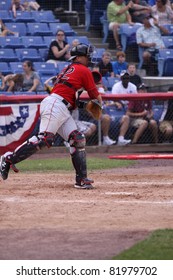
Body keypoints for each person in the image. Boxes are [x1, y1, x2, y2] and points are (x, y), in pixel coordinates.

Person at [0, 43, 102, 189]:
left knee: (77, 139)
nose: (89, 58)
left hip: (61, 107)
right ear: (79, 57)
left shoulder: (69, 69)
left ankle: (81, 179)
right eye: (87, 55)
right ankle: (8, 158)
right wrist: (100, 105)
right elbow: (95, 96)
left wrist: (83, 104)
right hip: (56, 105)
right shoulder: (83, 69)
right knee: (45, 139)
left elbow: (70, 96)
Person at [111, 71, 138, 145]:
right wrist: (117, 103)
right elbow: (113, 98)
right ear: (121, 78)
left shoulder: (133, 86)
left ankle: (125, 140)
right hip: (119, 108)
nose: (126, 79)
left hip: (130, 107)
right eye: (124, 78)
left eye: (127, 77)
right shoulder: (116, 86)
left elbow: (136, 99)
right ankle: (121, 139)